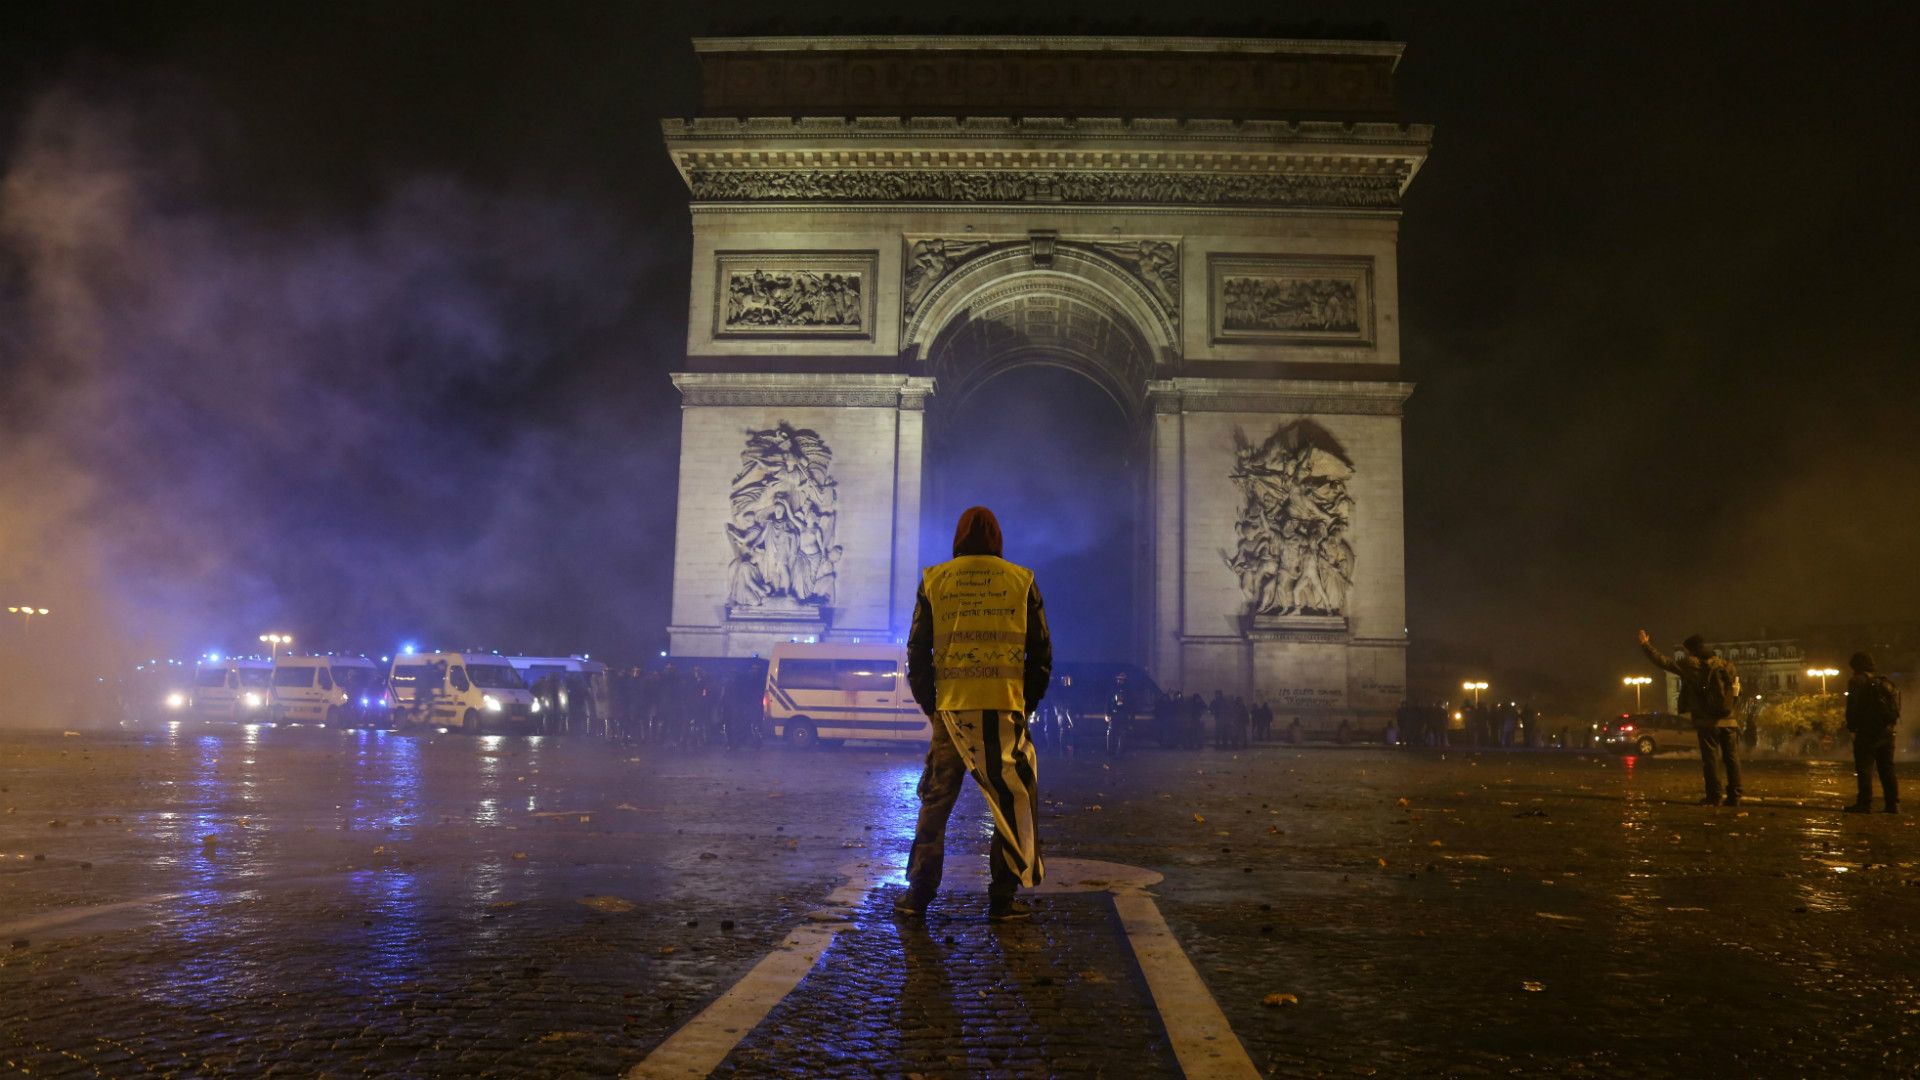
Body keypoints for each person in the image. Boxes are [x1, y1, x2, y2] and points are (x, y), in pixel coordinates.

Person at [897, 506, 1053, 922]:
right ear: (998, 539)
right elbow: (1041, 654)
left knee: (935, 801)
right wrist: (1025, 703)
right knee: (1012, 801)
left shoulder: (935, 580)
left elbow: (917, 651)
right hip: (1004, 709)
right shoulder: (1022, 580)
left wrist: (931, 705)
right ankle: (1003, 899)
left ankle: (918, 894)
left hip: (951, 711)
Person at [1637, 629, 1744, 806]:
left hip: (1706, 720)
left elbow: (1664, 663)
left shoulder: (1690, 665)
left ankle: (1714, 796)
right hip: (1729, 718)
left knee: (1710, 758)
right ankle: (1735, 796)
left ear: (1691, 650)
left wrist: (1646, 646)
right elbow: (1736, 690)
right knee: (1731, 758)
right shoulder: (1726, 665)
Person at [1842, 651, 1901, 814]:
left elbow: (1852, 707)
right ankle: (1892, 804)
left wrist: (1852, 728)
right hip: (1887, 732)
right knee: (1887, 768)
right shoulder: (1885, 683)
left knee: (1864, 769)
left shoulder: (1856, 681)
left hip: (1866, 733)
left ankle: (1864, 803)